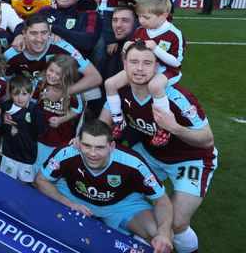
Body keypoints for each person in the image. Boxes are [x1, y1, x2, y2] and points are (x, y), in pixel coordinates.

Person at [99, 42, 216, 253]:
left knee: (177, 223)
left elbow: (207, 140)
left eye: (147, 63)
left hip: (191, 159)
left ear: (157, 67)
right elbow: (102, 125)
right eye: (134, 62)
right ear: (124, 63)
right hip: (150, 153)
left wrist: (175, 128)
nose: (140, 68)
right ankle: (132, 239)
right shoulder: (120, 90)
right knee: (110, 189)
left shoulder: (176, 97)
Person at [35, 120, 174, 253]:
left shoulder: (133, 163)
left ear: (112, 146)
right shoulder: (66, 153)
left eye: (100, 147)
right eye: (87, 145)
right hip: (73, 196)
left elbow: (161, 200)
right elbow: (41, 180)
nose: (92, 153)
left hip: (119, 204)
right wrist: (67, 203)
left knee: (158, 234)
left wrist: (164, 233)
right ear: (79, 143)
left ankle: (137, 240)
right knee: (41, 221)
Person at [105, 0, 184, 147]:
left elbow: (176, 62)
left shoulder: (174, 34)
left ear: (163, 16)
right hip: (142, 68)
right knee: (110, 84)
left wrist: (156, 50)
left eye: (146, 17)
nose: (141, 21)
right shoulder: (141, 30)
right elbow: (132, 56)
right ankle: (118, 120)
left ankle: (163, 128)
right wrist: (126, 49)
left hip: (166, 70)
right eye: (140, 16)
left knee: (154, 86)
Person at [4, 14, 102, 95]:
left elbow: (95, 77)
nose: (39, 39)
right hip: (26, 102)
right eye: (33, 33)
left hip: (56, 103)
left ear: (50, 33)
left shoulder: (61, 46)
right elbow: (4, 83)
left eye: (44, 33)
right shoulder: (11, 53)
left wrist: (62, 93)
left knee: (93, 92)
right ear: (24, 34)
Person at [30, 55, 85, 173]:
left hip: (60, 138)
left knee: (51, 168)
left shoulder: (74, 90)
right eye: (50, 70)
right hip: (39, 136)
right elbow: (31, 104)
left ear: (67, 76)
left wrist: (62, 119)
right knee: (35, 167)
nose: (52, 75)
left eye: (58, 74)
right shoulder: (40, 84)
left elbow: (78, 109)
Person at [34, 0, 101, 56]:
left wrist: (52, 28)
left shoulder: (88, 15)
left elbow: (88, 42)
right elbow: (23, 26)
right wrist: (19, 36)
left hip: (74, 67)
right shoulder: (45, 11)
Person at [0, 75, 47, 184]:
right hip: (9, 155)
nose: (20, 98)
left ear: (30, 95)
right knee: (6, 182)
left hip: (27, 156)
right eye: (16, 94)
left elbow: (42, 131)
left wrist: (36, 117)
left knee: (23, 184)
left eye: (24, 94)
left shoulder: (35, 110)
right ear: (11, 95)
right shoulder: (6, 107)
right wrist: (8, 128)